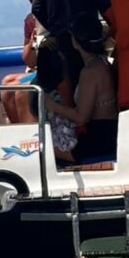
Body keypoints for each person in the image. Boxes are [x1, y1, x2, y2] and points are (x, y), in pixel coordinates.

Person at [43, 14, 118, 163]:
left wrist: (51, 105)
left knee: (43, 147)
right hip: (109, 131)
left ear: (76, 41)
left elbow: (81, 116)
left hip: (98, 139)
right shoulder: (103, 63)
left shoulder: (90, 72)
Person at [0, 0, 42, 123]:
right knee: (6, 84)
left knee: (22, 90)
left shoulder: (57, 12)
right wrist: (32, 42)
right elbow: (29, 60)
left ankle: (31, 139)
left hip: (57, 71)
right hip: (38, 69)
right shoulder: (30, 20)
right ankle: (18, 133)